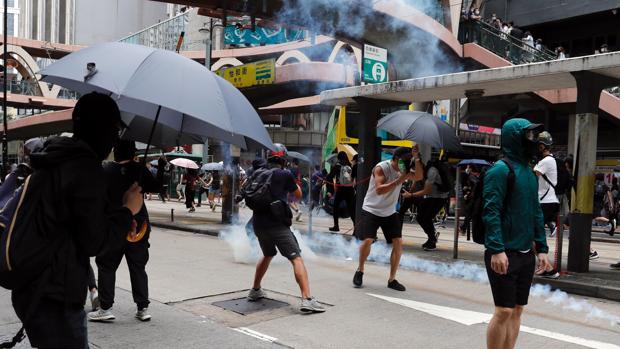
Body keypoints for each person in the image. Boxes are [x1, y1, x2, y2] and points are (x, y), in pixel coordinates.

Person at [10, 92, 143, 348]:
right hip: (55, 296)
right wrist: (128, 210)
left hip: (33, 288)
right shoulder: (84, 168)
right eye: (114, 129)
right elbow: (94, 242)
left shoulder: (56, 158)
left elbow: (70, 221)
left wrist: (117, 216)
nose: (115, 138)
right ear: (100, 128)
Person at [483, 118, 552, 349]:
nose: (534, 141)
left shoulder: (530, 173)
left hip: (525, 255)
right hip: (504, 252)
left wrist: (541, 248)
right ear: (515, 137)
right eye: (528, 136)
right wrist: (496, 249)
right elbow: (491, 211)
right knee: (503, 310)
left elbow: (536, 212)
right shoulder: (500, 170)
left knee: (517, 310)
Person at [247, 144, 326, 313]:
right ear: (283, 159)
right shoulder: (285, 174)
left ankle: (255, 290)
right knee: (296, 259)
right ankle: (307, 299)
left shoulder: (258, 173)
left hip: (258, 223)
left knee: (268, 254)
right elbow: (297, 195)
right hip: (276, 224)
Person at [89, 140, 160, 322]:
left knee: (106, 266)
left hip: (114, 225)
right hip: (139, 226)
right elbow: (156, 187)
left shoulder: (105, 170)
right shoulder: (140, 170)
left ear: (116, 152)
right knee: (138, 267)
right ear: (133, 153)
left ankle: (105, 308)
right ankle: (142, 308)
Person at [353, 147, 415, 291]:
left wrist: (417, 159)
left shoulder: (404, 170)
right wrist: (400, 180)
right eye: (404, 161)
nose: (406, 164)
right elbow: (379, 190)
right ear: (396, 159)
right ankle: (360, 270)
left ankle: (392, 279)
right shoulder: (381, 168)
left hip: (389, 212)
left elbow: (418, 176)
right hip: (371, 209)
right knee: (368, 240)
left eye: (408, 161)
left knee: (398, 242)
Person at [410, 151, 451, 251]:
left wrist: (410, 194)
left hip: (439, 197)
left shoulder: (431, 171)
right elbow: (417, 179)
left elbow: (426, 191)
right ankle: (432, 236)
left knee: (426, 217)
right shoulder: (425, 169)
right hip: (432, 196)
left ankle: (432, 240)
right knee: (421, 217)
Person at [534, 131, 559, 237]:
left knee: (534, 230)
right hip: (548, 200)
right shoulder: (550, 160)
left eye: (538, 145)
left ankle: (539, 251)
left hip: (545, 201)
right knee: (535, 230)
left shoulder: (546, 161)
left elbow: (534, 174)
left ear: (542, 146)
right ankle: (551, 225)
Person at [327, 151, 356, 232]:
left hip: (341, 190)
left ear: (339, 158)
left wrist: (330, 188)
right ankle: (356, 228)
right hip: (350, 190)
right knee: (351, 209)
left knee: (335, 207)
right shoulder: (350, 165)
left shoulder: (337, 166)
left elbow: (330, 177)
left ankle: (336, 226)